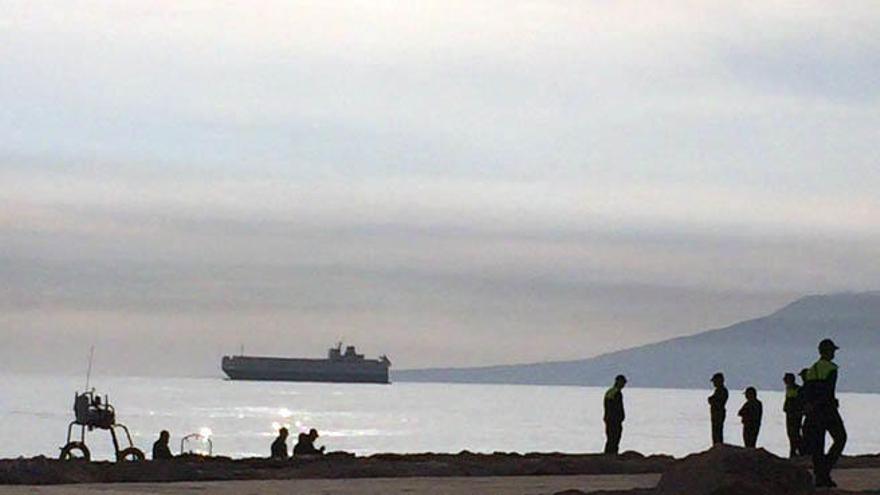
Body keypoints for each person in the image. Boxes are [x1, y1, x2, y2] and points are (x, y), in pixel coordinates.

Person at [803, 338, 847, 488]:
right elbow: (828, 391)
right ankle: (824, 471)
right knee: (841, 438)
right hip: (827, 410)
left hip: (813, 412)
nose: (834, 353)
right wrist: (832, 402)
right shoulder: (831, 368)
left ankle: (821, 476)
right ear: (828, 352)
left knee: (818, 445)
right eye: (833, 351)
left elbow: (807, 392)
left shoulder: (811, 370)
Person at [603, 374, 627, 455]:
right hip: (614, 420)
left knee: (610, 437)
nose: (624, 385)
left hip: (609, 419)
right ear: (618, 382)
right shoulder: (616, 393)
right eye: (623, 382)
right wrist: (620, 417)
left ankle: (608, 454)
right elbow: (617, 407)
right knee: (614, 437)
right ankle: (611, 454)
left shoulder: (609, 392)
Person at [783, 372, 804, 457]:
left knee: (794, 433)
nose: (784, 380)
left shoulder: (797, 389)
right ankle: (794, 451)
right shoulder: (788, 388)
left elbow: (797, 402)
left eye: (785, 379)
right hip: (790, 414)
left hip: (795, 414)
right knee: (791, 433)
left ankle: (798, 451)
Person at [708, 372, 729, 445]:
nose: (714, 383)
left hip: (718, 413)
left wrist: (711, 400)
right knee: (715, 431)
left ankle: (718, 445)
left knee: (717, 431)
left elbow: (716, 401)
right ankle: (716, 445)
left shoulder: (722, 390)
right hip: (716, 413)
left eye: (715, 381)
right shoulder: (719, 390)